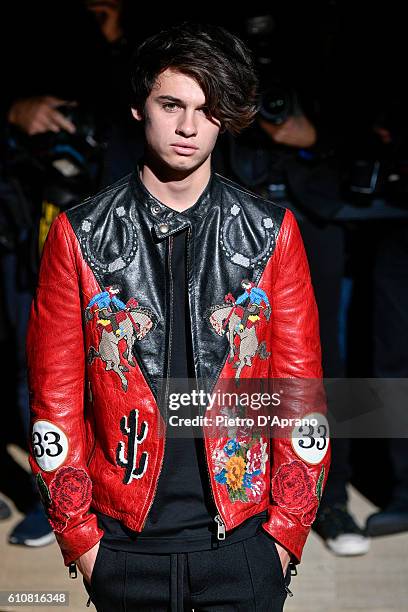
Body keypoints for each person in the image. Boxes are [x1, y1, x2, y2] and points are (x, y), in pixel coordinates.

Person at [26, 23, 330, 611]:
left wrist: (286, 536)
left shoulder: (270, 233)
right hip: (123, 546)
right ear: (140, 108)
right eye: (173, 105)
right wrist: (83, 543)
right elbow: (54, 402)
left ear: (226, 118)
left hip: (243, 539)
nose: (189, 127)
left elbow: (301, 395)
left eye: (207, 109)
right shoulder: (79, 235)